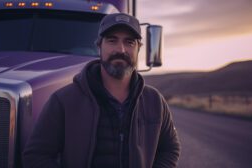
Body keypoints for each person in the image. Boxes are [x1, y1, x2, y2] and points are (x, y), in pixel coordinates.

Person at [23, 13, 181, 168]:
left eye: (129, 42)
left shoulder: (155, 102)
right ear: (99, 45)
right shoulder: (63, 100)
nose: (121, 49)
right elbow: (36, 156)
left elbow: (170, 149)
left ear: (138, 48)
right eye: (112, 40)